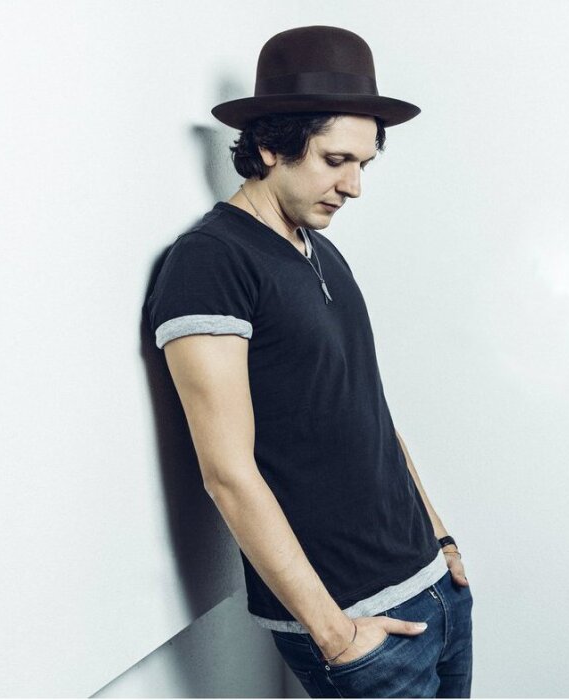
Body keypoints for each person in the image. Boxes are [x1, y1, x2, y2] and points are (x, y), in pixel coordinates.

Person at [146, 25, 473, 698]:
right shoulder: (211, 262)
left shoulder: (317, 247)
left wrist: (441, 540)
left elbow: (369, 410)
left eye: (364, 164)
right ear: (271, 145)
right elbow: (227, 473)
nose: (353, 186)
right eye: (335, 160)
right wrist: (335, 634)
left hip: (435, 587)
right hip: (362, 626)